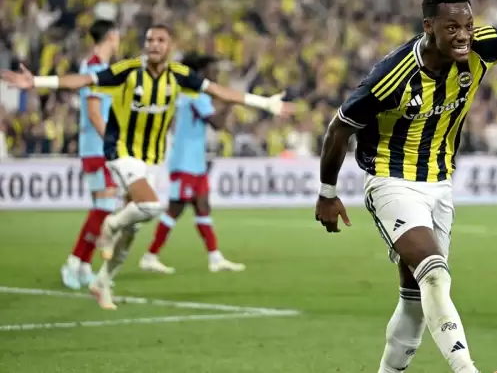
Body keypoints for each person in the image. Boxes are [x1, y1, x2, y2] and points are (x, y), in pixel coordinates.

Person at [315, 0, 497, 373]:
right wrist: (327, 193)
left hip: (439, 185)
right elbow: (339, 128)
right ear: (429, 27)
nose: (463, 35)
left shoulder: (481, 47)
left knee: (415, 300)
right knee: (436, 275)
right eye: (452, 27)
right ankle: (466, 369)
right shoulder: (392, 76)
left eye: (468, 25)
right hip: (391, 181)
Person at [2, 24, 294, 310]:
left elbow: (218, 91)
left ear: (170, 46)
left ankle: (103, 281)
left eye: (160, 40)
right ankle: (110, 225)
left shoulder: (179, 76)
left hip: (152, 159)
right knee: (152, 206)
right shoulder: (128, 70)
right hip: (120, 151)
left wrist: (265, 103)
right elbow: (84, 81)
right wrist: (37, 82)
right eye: (150, 40)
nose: (154, 44)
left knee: (133, 230)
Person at [140, 53, 245, 273]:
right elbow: (216, 124)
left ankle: (215, 258)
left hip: (194, 163)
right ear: (201, 73)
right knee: (176, 209)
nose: (216, 74)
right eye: (212, 70)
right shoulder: (196, 95)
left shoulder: (188, 94)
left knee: (203, 206)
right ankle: (150, 255)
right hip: (185, 163)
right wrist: (231, 102)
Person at [60, 19, 120, 290]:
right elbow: (95, 114)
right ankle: (73, 262)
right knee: (104, 208)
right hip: (98, 148)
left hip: (95, 146)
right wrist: (113, 143)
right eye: (117, 35)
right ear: (111, 36)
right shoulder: (95, 69)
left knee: (102, 209)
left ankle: (84, 265)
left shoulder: (98, 67)